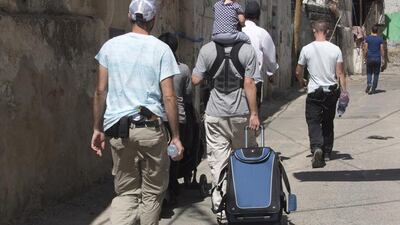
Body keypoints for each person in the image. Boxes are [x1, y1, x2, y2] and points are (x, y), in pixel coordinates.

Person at [90, 1, 184, 224]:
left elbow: (100, 90)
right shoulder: (161, 49)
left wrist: (97, 128)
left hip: (118, 130)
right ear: (153, 20)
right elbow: (169, 96)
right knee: (152, 193)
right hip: (150, 130)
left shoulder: (110, 47)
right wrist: (176, 136)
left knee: (126, 192)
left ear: (130, 16)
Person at [192, 33, 260, 223]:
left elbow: (195, 80)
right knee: (244, 160)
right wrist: (254, 113)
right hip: (241, 114)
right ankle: (244, 203)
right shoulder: (247, 50)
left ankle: (221, 208)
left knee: (219, 161)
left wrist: (209, 73)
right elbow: (250, 82)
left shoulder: (207, 50)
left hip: (215, 114)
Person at [295, 20, 348, 168]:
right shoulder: (336, 49)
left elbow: (298, 71)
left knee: (313, 121)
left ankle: (317, 147)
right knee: (327, 121)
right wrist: (344, 92)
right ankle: (326, 152)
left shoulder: (306, 49)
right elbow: (340, 73)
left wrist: (301, 81)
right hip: (331, 91)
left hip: (314, 91)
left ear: (314, 31)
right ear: (328, 31)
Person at [158, 32, 192, 204]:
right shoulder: (184, 69)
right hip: (177, 121)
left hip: (158, 120)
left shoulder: (154, 68)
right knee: (173, 155)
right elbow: (188, 96)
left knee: (159, 156)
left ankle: (163, 189)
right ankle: (172, 187)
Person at [242, 0, 279, 108]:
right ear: (258, 16)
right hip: (254, 81)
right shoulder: (261, 33)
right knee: (253, 118)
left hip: (236, 82)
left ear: (244, 14)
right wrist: (271, 72)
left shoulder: (237, 30)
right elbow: (271, 58)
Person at [364, 24, 385, 95]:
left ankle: (369, 83)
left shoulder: (368, 38)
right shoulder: (380, 39)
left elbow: (366, 49)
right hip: (377, 59)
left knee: (369, 72)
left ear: (371, 30)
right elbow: (382, 50)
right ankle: (373, 88)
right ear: (377, 31)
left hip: (369, 58)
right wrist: (383, 59)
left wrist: (365, 57)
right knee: (376, 74)